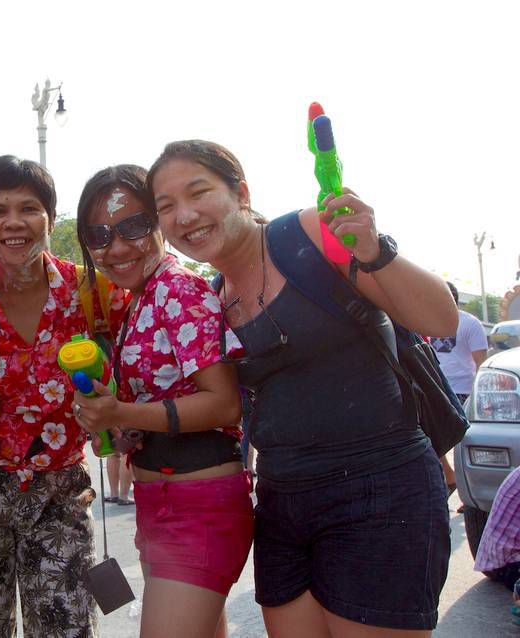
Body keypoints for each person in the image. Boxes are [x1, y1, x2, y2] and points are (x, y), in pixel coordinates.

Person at [147, 139, 458, 636]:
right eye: (166, 207)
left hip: (380, 486)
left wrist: (375, 251)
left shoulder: (308, 234)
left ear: (241, 192)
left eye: (197, 192)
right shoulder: (210, 298)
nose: (183, 216)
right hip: (282, 501)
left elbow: (441, 319)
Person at [0, 155, 126, 637]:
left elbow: (138, 363)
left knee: (66, 629)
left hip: (60, 495)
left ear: (50, 220)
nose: (15, 222)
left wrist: (115, 411)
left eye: (29, 208)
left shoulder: (93, 292)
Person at [73, 165, 250, 638]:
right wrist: (116, 425)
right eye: (99, 234)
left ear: (158, 224)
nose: (116, 246)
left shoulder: (178, 287)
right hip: (162, 502)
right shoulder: (140, 300)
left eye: (133, 226)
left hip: (196, 507)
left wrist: (120, 413)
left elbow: (224, 404)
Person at [431, 281, 487, 496]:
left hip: (463, 389)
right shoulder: (424, 319)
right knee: (433, 433)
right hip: (438, 386)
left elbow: (480, 361)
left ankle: (466, 491)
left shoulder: (470, 324)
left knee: (463, 443)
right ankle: (450, 475)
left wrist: (479, 395)